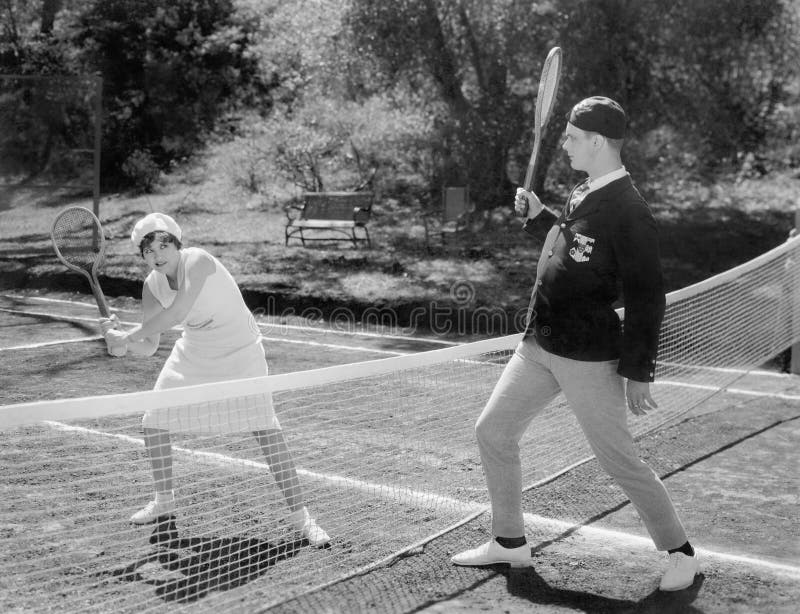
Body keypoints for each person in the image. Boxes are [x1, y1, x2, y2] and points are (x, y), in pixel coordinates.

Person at [451, 97, 699, 591]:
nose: (563, 143)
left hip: (588, 355)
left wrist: (638, 370)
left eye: (571, 137)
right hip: (539, 342)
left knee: (617, 459)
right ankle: (509, 542)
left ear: (598, 142)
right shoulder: (584, 190)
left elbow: (649, 296)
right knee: (493, 432)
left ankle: (681, 553)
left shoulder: (630, 210)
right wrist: (543, 215)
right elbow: (575, 246)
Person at [101, 212, 329, 547]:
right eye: (148, 250)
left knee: (266, 430)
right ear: (142, 256)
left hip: (241, 351)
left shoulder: (199, 261)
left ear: (177, 244)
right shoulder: (152, 286)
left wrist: (130, 333)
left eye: (164, 244)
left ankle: (303, 519)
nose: (157, 254)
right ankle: (165, 501)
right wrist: (119, 344)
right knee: (154, 421)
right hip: (194, 352)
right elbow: (149, 348)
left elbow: (177, 314)